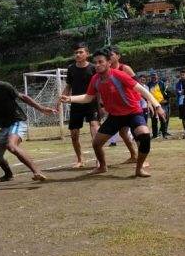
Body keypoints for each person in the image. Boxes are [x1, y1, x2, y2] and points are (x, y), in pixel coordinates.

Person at [60, 49, 164, 178]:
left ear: (109, 62)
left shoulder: (119, 75)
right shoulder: (95, 79)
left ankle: (139, 169)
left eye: (100, 62)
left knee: (144, 135)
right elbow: (88, 97)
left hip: (133, 113)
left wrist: (157, 106)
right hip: (115, 116)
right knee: (96, 143)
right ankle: (102, 166)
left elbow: (143, 90)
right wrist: (70, 98)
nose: (97, 65)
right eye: (95, 62)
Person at [61, 42, 100, 168]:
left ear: (87, 54)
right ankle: (80, 160)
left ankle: (99, 159)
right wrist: (61, 99)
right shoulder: (71, 69)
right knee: (74, 134)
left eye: (81, 52)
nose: (78, 54)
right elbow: (68, 86)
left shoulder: (94, 68)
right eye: (76, 53)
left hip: (91, 102)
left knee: (95, 129)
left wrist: (102, 103)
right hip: (76, 103)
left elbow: (99, 87)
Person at [147, 71, 170, 139]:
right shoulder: (149, 84)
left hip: (161, 104)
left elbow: (166, 93)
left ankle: (164, 134)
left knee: (163, 119)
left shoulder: (161, 83)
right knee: (154, 119)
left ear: (157, 76)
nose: (154, 77)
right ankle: (155, 134)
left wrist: (166, 101)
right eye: (152, 76)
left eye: (155, 76)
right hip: (153, 104)